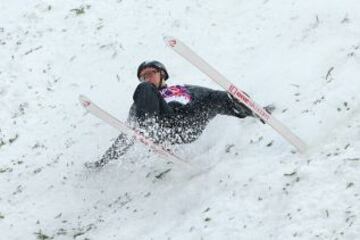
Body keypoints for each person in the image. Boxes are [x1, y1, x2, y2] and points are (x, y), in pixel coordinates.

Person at [93, 60, 273, 167]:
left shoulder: (183, 89)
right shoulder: (141, 99)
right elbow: (128, 132)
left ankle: (247, 109)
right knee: (145, 91)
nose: (147, 78)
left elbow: (211, 97)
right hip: (163, 126)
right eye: (143, 76)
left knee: (217, 97)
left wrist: (242, 103)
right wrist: (103, 161)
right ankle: (150, 126)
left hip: (189, 123)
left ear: (162, 74)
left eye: (150, 73)